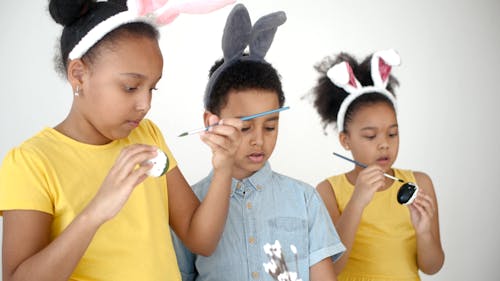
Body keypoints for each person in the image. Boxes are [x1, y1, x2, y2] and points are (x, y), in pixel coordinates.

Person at [0, 0, 238, 280]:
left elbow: (201, 240)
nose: (145, 104)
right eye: (130, 87)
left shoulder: (147, 135)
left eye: (152, 88)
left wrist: (224, 168)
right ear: (78, 75)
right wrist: (95, 212)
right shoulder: (30, 163)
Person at [171, 4, 345, 281]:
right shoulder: (190, 208)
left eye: (271, 126)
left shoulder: (304, 200)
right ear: (211, 122)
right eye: (245, 126)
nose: (259, 140)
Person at [309, 49, 445, 281]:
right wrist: (357, 200)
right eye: (371, 136)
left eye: (392, 134)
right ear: (345, 140)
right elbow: (332, 268)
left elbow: (432, 266)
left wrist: (424, 233)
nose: (384, 145)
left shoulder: (419, 183)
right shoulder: (328, 191)